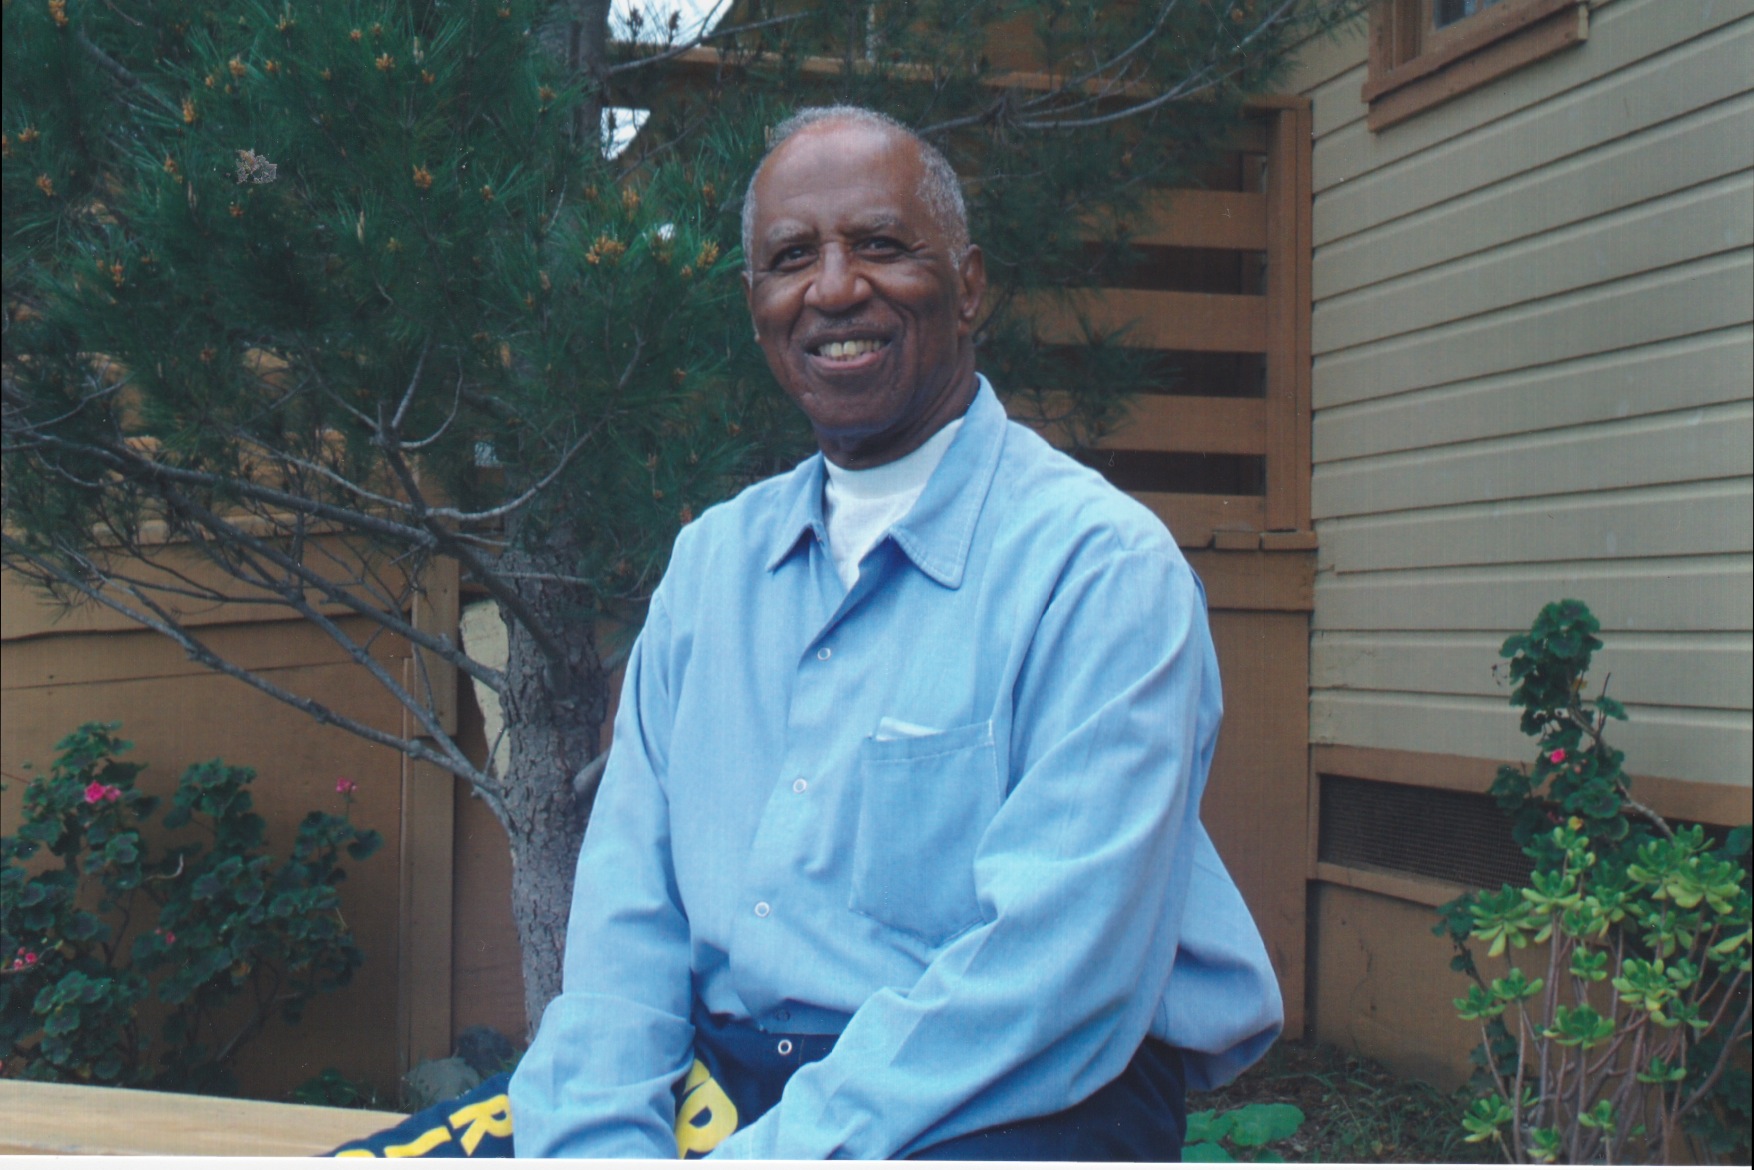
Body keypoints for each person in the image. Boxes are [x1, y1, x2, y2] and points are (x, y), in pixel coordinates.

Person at [498, 104, 1281, 1160]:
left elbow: (1051, 979)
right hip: (728, 1084)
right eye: (789, 258)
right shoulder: (710, 570)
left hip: (1007, 1098)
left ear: (967, 286)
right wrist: (595, 1144)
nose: (832, 288)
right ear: (756, 306)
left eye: (878, 245)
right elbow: (625, 923)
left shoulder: (1097, 570)